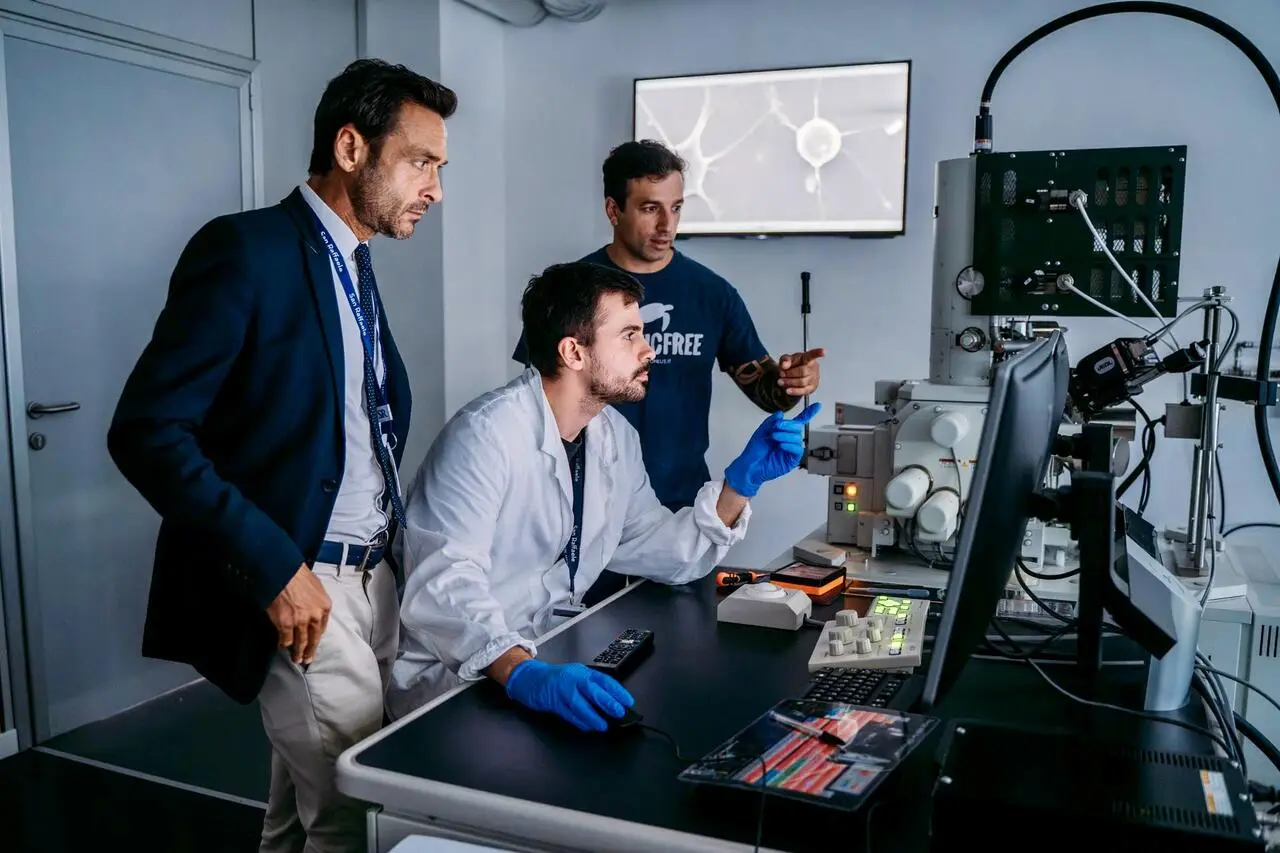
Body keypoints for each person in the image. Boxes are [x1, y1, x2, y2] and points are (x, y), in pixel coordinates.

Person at [107, 59, 455, 853]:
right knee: (358, 818)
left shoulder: (357, 264)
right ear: (350, 147)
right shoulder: (245, 250)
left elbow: (355, 432)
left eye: (439, 167)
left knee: (300, 815)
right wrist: (273, 567)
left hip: (376, 581)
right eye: (421, 161)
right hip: (303, 584)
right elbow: (147, 429)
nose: (434, 187)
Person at [388, 260, 819, 727]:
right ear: (574, 352)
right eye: (629, 335)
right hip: (463, 680)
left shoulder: (612, 435)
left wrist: (739, 485)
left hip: (549, 657)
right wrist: (520, 671)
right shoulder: (485, 437)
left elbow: (659, 549)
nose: (649, 349)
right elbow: (442, 583)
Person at [513, 139, 826, 515]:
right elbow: (532, 402)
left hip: (680, 503)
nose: (667, 225)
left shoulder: (712, 294)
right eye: (650, 209)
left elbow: (766, 393)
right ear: (614, 210)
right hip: (579, 502)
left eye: (675, 208)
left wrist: (790, 383)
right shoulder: (568, 292)